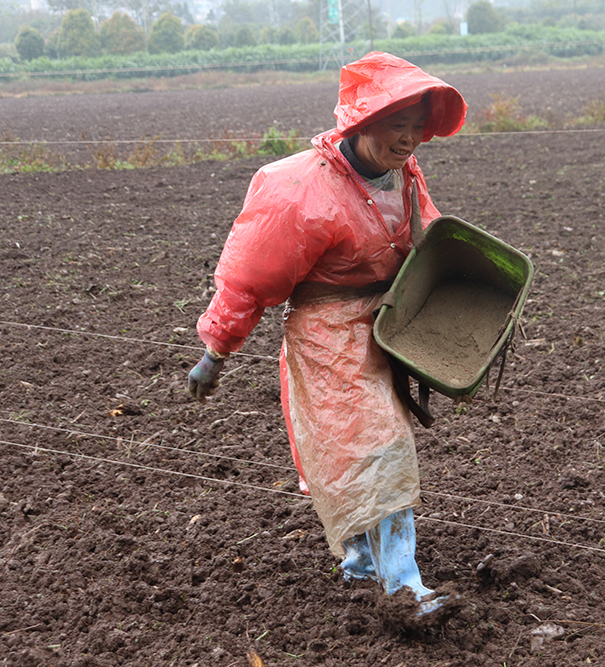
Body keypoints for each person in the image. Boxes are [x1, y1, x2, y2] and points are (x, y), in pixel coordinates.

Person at [186, 52, 467, 615]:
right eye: (397, 124)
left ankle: (361, 564)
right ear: (362, 122)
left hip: (388, 326)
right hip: (328, 338)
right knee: (376, 448)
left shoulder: (404, 174)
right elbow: (249, 277)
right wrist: (216, 350)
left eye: (417, 126)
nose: (410, 138)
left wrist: (467, 293)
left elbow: (428, 238)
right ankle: (404, 585)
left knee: (360, 452)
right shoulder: (297, 189)